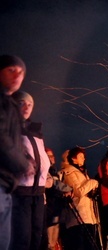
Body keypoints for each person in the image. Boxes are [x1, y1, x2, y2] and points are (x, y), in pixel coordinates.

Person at [0, 55, 34, 250]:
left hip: (6, 184)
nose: (17, 76)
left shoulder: (9, 105)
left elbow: (13, 141)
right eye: (11, 70)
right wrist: (23, 164)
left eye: (21, 72)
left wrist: (26, 158)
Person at [10, 91, 51, 250]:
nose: (27, 107)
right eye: (22, 103)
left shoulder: (36, 133)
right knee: (22, 238)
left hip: (38, 194)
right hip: (20, 194)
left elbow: (41, 159)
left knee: (37, 237)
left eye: (30, 104)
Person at [60, 147, 99, 250]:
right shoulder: (69, 172)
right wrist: (92, 182)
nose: (84, 159)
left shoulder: (82, 173)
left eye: (84, 157)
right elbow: (79, 191)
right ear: (73, 159)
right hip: (77, 216)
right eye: (81, 156)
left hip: (88, 216)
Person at [44, 148, 73, 250]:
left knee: (54, 240)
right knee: (49, 241)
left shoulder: (55, 172)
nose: (50, 158)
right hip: (49, 209)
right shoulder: (46, 172)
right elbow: (54, 186)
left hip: (57, 209)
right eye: (47, 156)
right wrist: (68, 190)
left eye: (51, 156)